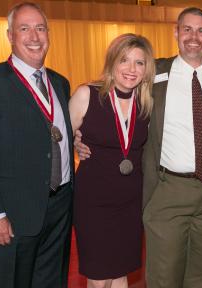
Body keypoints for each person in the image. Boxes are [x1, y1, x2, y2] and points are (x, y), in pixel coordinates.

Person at [75, 7, 202, 287]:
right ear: (175, 33)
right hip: (167, 186)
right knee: (163, 273)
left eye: (201, 30)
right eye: (187, 29)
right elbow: (111, 97)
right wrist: (78, 135)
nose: (193, 37)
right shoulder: (153, 73)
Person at [0, 2, 73, 287]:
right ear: (10, 35)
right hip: (12, 214)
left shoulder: (60, 83)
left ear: (48, 33)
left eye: (40, 28)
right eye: (24, 28)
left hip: (59, 208)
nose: (34, 36)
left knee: (51, 282)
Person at [68, 33, 154, 288]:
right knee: (98, 275)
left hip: (130, 202)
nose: (131, 69)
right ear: (112, 62)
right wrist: (75, 144)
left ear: (146, 69)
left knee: (120, 273)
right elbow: (58, 140)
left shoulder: (147, 103)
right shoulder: (87, 95)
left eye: (139, 63)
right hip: (93, 203)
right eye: (124, 60)